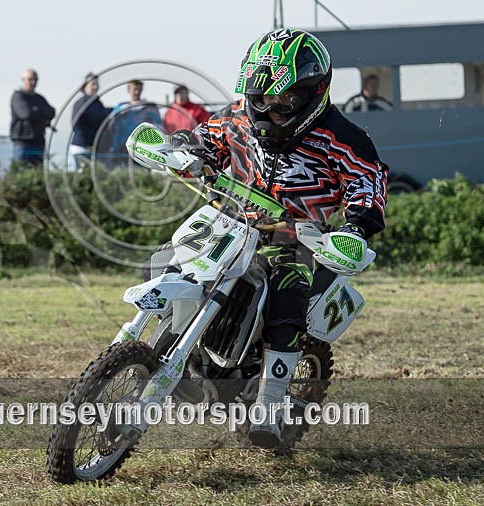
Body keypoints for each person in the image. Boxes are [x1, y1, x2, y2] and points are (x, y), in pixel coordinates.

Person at [169, 28, 388, 448]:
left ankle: (269, 406)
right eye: (262, 99)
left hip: (294, 237)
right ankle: (183, 358)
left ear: (312, 92)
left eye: (284, 100)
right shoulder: (237, 116)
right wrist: (184, 148)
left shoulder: (344, 138)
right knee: (164, 261)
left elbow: (367, 184)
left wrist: (356, 227)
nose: (271, 109)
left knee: (287, 299)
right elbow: (207, 140)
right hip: (231, 220)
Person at [10, 68, 56, 167]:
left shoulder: (40, 98)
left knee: (37, 175)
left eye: (35, 80)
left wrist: (35, 110)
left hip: (38, 142)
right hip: (22, 143)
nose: (33, 82)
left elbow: (51, 112)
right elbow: (25, 113)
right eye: (30, 79)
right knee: (20, 173)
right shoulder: (18, 97)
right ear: (23, 80)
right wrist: (42, 118)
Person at [108, 80, 161, 164]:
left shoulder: (148, 108)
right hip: (123, 147)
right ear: (129, 90)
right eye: (135, 89)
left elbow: (158, 125)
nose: (137, 92)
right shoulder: (121, 108)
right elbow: (112, 127)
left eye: (139, 90)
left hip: (142, 147)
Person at [69, 72, 112, 171]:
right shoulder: (80, 103)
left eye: (96, 84)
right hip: (81, 147)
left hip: (94, 147)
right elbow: (76, 124)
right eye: (92, 84)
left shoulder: (98, 104)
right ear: (85, 86)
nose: (95, 87)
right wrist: (87, 139)